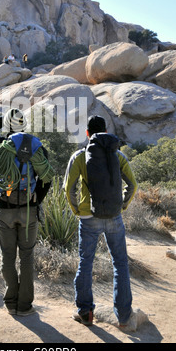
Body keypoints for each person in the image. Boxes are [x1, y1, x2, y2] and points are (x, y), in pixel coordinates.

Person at [0, 108, 53, 316]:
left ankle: (10, 302)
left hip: (5, 209)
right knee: (27, 257)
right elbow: (47, 178)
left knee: (7, 257)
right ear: (24, 126)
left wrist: (3, 121)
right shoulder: (37, 148)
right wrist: (36, 201)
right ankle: (25, 306)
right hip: (29, 211)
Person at [63, 115, 137, 328]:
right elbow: (133, 184)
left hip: (88, 217)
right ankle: (124, 317)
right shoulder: (117, 154)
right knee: (120, 263)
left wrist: (77, 210)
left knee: (86, 262)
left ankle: (85, 313)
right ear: (105, 131)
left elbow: (68, 189)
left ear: (88, 133)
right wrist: (122, 206)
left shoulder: (80, 156)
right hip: (114, 216)